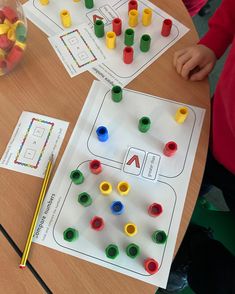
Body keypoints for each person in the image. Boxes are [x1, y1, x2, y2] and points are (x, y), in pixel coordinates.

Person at [159, 0, 235, 292]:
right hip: (217, 129)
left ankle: (196, 252)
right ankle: (192, 243)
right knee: (187, 182)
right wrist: (215, 41)